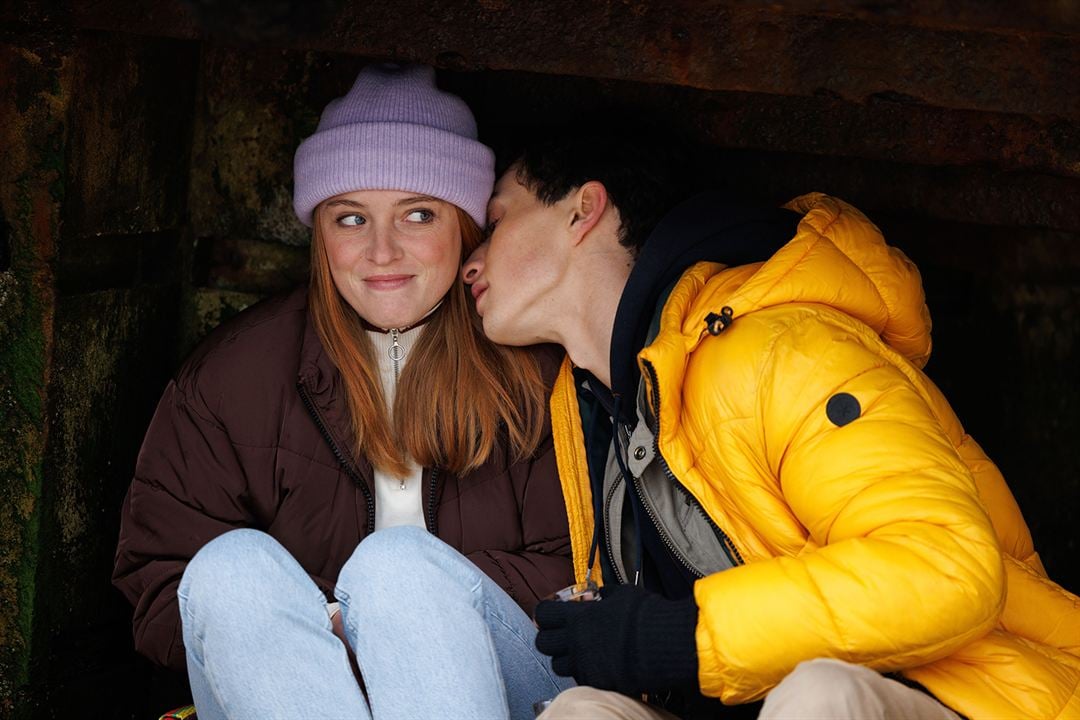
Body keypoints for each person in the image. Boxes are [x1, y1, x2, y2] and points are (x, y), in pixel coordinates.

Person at [460, 130, 1080, 719]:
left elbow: (947, 567)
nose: (471, 263)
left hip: (969, 698)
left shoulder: (782, 348)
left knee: (819, 699)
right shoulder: (603, 412)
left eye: (496, 222)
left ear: (582, 211)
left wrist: (684, 635)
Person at [112, 64, 575, 720]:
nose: (382, 250)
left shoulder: (534, 368)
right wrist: (317, 625)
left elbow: (588, 575)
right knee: (228, 570)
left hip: (507, 682)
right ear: (318, 234)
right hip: (297, 689)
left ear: (466, 227)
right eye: (351, 218)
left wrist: (394, 615)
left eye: (418, 214)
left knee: (398, 571)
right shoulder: (236, 375)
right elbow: (162, 584)